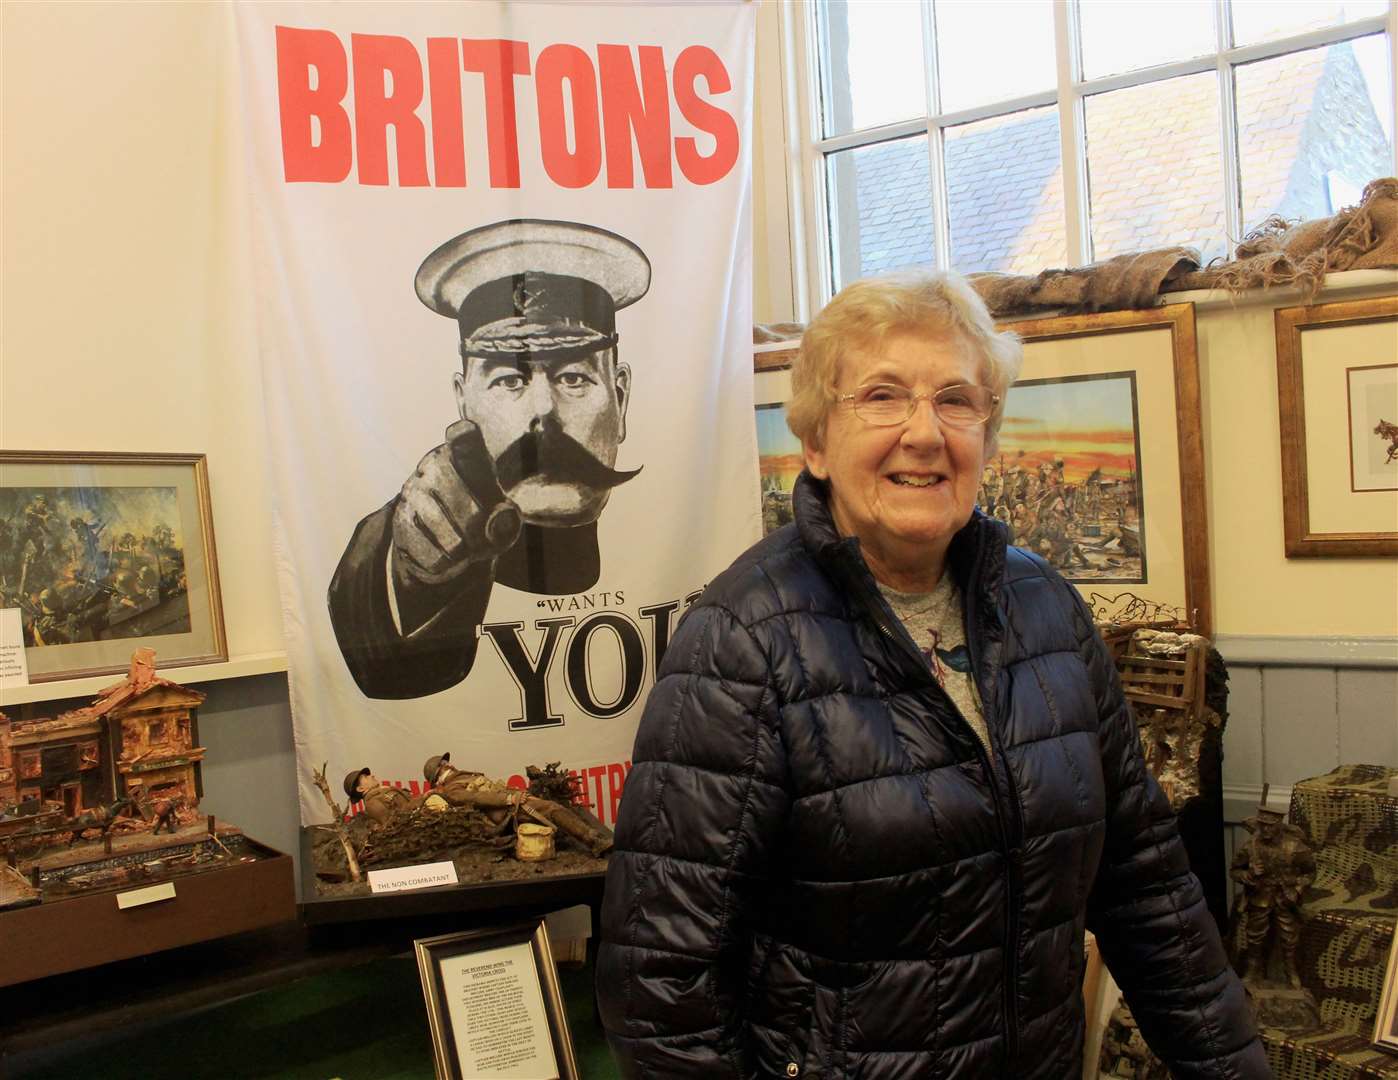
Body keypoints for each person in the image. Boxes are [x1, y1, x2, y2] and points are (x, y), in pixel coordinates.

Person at [598, 272, 1266, 1078]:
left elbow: (1148, 889)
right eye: (882, 396)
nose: (924, 432)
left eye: (956, 400)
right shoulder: (743, 643)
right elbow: (661, 982)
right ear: (814, 442)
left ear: (987, 434)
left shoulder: (1046, 609)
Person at [328, 219, 651, 700]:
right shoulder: (401, 539)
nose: (543, 411)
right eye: (509, 380)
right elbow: (388, 672)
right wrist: (409, 566)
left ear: (620, 399)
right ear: (465, 404)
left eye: (573, 377)